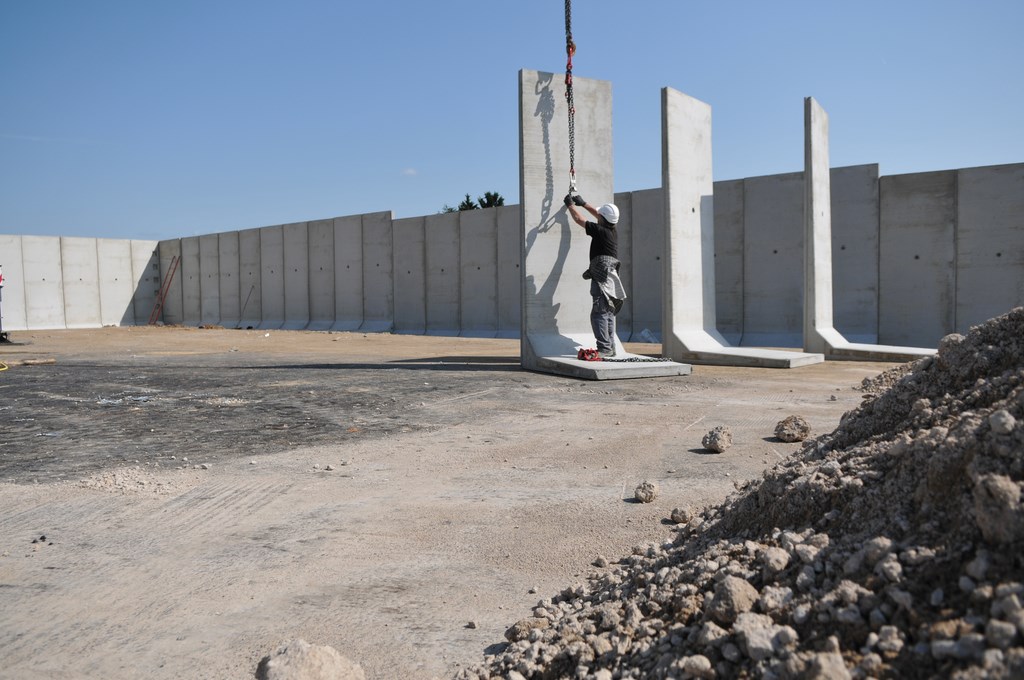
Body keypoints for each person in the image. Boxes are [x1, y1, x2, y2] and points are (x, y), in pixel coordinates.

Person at [564, 193, 626, 358]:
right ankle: (610, 347)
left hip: (602, 275)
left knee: (599, 312)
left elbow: (579, 220)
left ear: (603, 219)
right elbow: (600, 215)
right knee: (608, 311)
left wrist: (570, 205)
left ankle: (604, 348)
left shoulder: (599, 230)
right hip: (611, 276)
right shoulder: (612, 230)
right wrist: (584, 203)